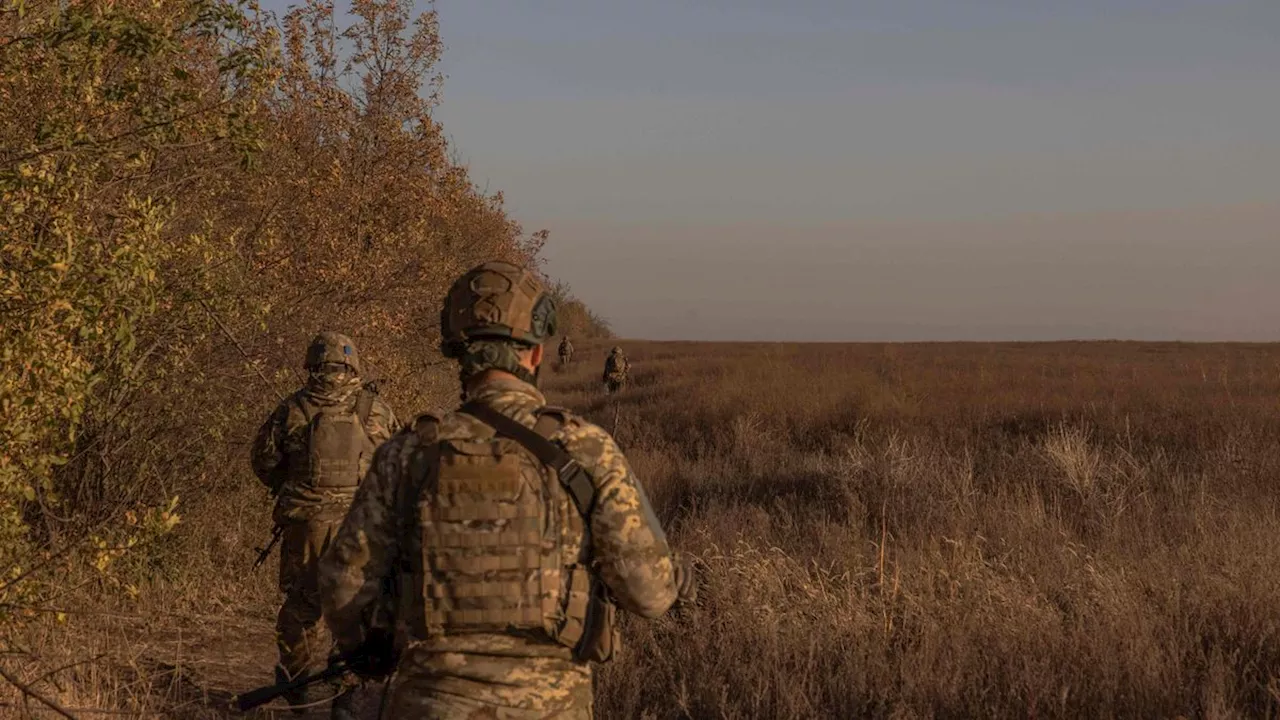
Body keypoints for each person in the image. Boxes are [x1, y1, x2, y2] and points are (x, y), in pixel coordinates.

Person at [318, 261, 697, 719]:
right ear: (536, 353)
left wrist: (373, 647)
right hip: (550, 706)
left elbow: (343, 583)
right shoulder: (587, 451)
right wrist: (681, 576)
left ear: (457, 352)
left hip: (429, 702)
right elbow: (649, 594)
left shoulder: (406, 455)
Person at [250, 331, 400, 718]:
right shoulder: (376, 409)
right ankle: (345, 690)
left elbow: (263, 461)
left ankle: (299, 684)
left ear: (312, 364)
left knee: (301, 605)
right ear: (353, 365)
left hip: (306, 526)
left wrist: (293, 484)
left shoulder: (292, 408)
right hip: (362, 527)